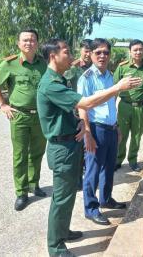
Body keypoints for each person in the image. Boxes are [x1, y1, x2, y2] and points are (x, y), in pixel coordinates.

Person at [37, 38, 141, 257]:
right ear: (53, 55)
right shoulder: (50, 84)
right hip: (62, 149)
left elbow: (68, 111)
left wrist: (79, 126)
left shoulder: (60, 79)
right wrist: (117, 88)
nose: (71, 54)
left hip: (70, 143)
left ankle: (62, 231)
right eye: (66, 51)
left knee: (67, 197)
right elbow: (85, 103)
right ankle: (55, 247)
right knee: (62, 198)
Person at [0, 28, 47, 211]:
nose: (29, 43)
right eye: (25, 40)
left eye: (32, 40)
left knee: (37, 152)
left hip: (39, 116)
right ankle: (21, 193)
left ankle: (33, 184)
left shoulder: (43, 64)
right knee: (20, 155)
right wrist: (2, 105)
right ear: (18, 43)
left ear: (37, 43)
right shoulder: (10, 64)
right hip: (19, 116)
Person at [77, 38, 129, 226]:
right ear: (90, 54)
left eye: (106, 52)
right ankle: (91, 208)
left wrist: (117, 127)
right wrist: (88, 133)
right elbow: (82, 108)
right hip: (96, 129)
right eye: (98, 52)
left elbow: (111, 104)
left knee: (108, 167)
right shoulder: (86, 78)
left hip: (111, 129)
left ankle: (105, 199)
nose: (102, 56)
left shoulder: (110, 76)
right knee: (92, 169)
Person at [113, 39, 143, 172]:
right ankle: (118, 160)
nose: (138, 52)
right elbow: (114, 87)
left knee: (136, 136)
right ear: (130, 52)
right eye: (135, 50)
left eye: (140, 49)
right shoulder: (123, 67)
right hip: (124, 106)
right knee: (121, 135)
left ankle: (132, 160)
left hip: (141, 107)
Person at [63, 39, 93, 190]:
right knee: (79, 147)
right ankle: (78, 178)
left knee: (91, 144)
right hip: (77, 114)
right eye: (85, 50)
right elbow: (64, 86)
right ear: (81, 50)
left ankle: (89, 175)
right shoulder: (73, 68)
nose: (88, 54)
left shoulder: (95, 68)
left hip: (93, 112)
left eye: (90, 51)